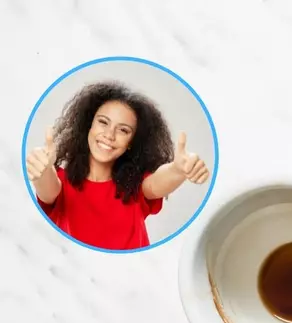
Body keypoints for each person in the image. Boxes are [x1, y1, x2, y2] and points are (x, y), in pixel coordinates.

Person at [26, 81, 210, 250]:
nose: (109, 135)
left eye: (123, 130)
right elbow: (48, 189)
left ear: (131, 142)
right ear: (88, 126)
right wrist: (42, 170)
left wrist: (178, 169)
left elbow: (156, 184)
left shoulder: (134, 186)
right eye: (103, 122)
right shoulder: (60, 181)